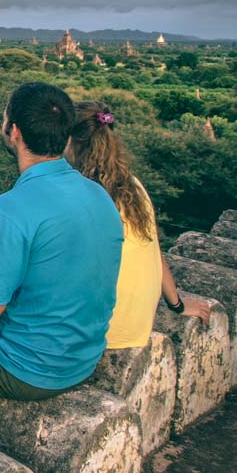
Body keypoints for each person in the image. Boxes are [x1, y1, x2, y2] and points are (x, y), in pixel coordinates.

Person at [0, 82, 124, 399]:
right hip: (82, 358)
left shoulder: (9, 210)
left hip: (29, 368)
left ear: (13, 131)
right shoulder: (97, 194)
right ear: (65, 135)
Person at [65, 101, 212, 347]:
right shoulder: (134, 186)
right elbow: (152, 246)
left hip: (101, 331)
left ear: (69, 141)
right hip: (136, 325)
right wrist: (177, 304)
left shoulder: (81, 194)